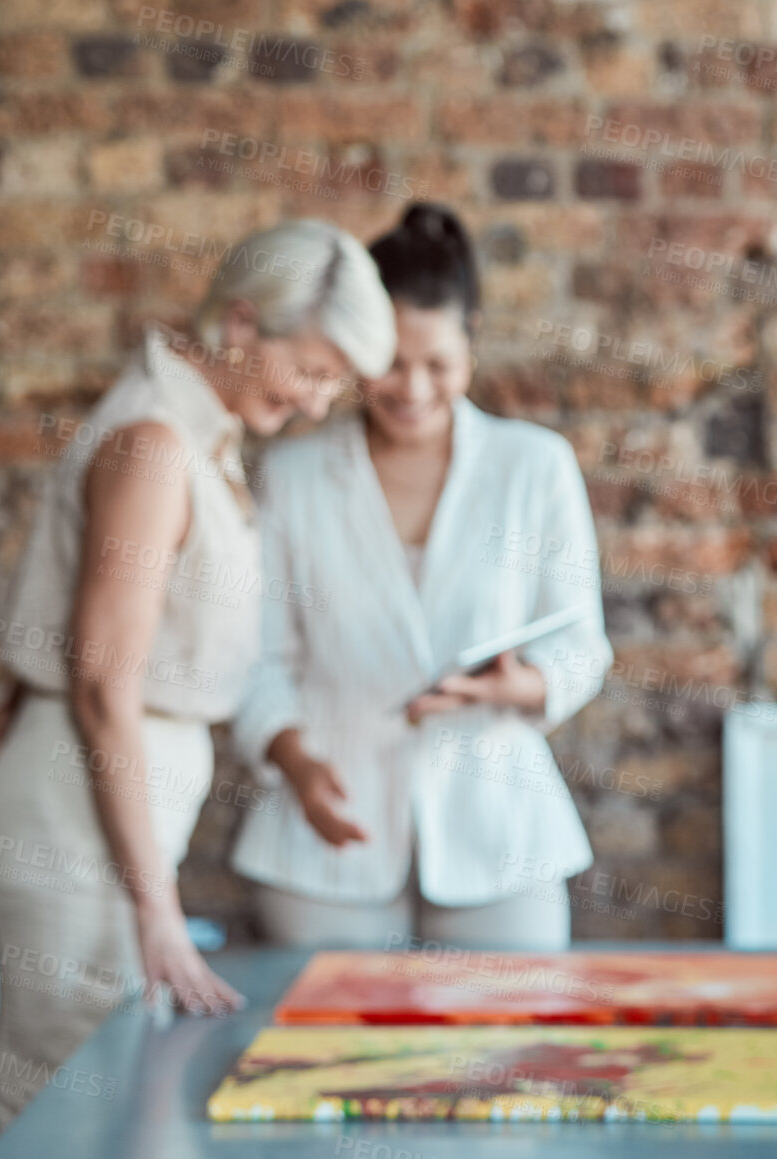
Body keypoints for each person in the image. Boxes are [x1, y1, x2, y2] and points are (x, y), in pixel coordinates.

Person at [0, 220, 396, 1139]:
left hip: (97, 799)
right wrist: (156, 906)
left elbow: (92, 628)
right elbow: (101, 686)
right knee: (55, 1110)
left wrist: (12, 706)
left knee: (94, 1109)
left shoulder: (195, 432)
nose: (318, 403)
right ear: (241, 323)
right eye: (312, 372)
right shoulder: (157, 446)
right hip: (75, 819)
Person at [231, 202, 613, 950]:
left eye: (436, 364)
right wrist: (298, 766)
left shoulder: (532, 468)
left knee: (511, 1059)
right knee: (327, 1063)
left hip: (499, 832)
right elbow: (258, 659)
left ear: (470, 342)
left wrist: (521, 686)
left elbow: (580, 647)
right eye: (390, 363)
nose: (411, 388)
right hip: (325, 839)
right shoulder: (293, 473)